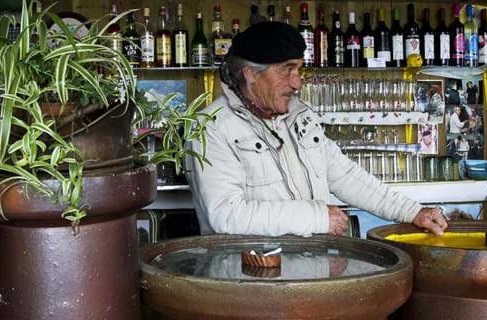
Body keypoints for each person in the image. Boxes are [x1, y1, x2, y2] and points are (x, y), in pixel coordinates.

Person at [185, 21, 447, 238]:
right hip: (250, 282)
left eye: (299, 69)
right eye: (287, 70)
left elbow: (345, 175)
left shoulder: (299, 117)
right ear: (251, 74)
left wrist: (412, 211)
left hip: (309, 273)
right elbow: (227, 215)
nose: (297, 83)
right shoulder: (212, 127)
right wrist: (317, 218)